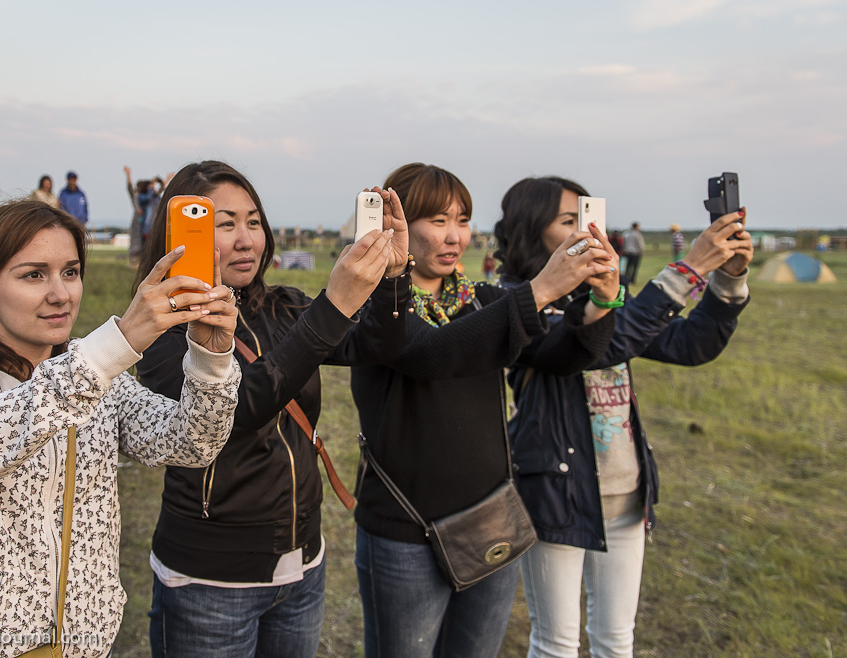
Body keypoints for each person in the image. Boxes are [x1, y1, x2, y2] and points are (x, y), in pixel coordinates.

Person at [0, 199, 241, 658]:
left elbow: (190, 442)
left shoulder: (100, 377)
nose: (60, 294)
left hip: (82, 644)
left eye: (71, 272)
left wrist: (209, 359)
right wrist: (112, 348)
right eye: (33, 274)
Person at [137, 160, 409, 658]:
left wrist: (391, 279)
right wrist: (332, 306)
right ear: (182, 234)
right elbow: (231, 418)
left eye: (254, 221)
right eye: (224, 224)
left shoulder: (282, 306)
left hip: (303, 564)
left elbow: (378, 345)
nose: (245, 240)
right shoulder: (161, 329)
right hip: (210, 581)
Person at [351, 163, 619, 658]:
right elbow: (432, 353)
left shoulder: (482, 301)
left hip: (490, 520)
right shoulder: (377, 311)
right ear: (398, 224)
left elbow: (562, 356)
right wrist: (539, 290)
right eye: (436, 220)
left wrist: (602, 301)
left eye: (463, 219)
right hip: (407, 530)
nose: (454, 236)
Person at [494, 176, 753, 658]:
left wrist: (727, 278)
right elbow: (594, 349)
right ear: (532, 231)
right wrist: (687, 268)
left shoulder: (605, 289)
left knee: (617, 641)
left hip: (626, 490)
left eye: (589, 220)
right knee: (557, 644)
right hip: (555, 491)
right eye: (570, 221)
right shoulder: (513, 303)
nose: (589, 232)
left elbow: (689, 343)